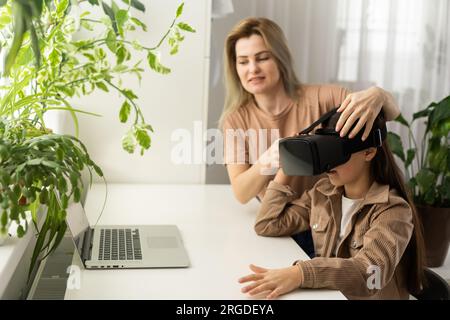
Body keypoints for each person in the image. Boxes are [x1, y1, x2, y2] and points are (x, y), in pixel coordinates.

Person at [220, 17, 401, 257]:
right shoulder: (235, 119)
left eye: (262, 57)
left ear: (280, 58)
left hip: (324, 223)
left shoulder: (323, 98)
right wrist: (271, 159)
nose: (252, 69)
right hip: (274, 221)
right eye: (243, 61)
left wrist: (379, 94)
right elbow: (242, 193)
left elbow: (387, 115)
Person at [238, 112, 426, 300]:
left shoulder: (393, 211)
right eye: (323, 149)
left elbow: (369, 272)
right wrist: (290, 161)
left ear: (368, 152)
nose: (328, 161)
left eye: (336, 151)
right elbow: (268, 224)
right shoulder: (323, 193)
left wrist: (300, 273)